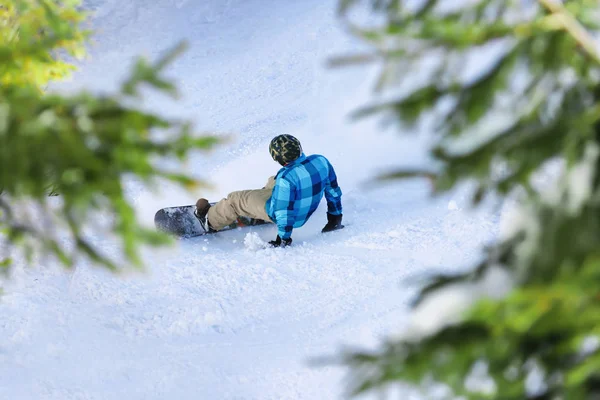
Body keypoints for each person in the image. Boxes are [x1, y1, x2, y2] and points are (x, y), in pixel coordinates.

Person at [194, 134, 343, 247]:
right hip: (306, 207)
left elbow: (283, 212)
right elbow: (333, 191)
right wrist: (335, 219)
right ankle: (256, 209)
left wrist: (283, 239)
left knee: (234, 199)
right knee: (274, 179)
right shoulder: (320, 160)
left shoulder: (286, 178)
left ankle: (210, 221)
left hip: (292, 217)